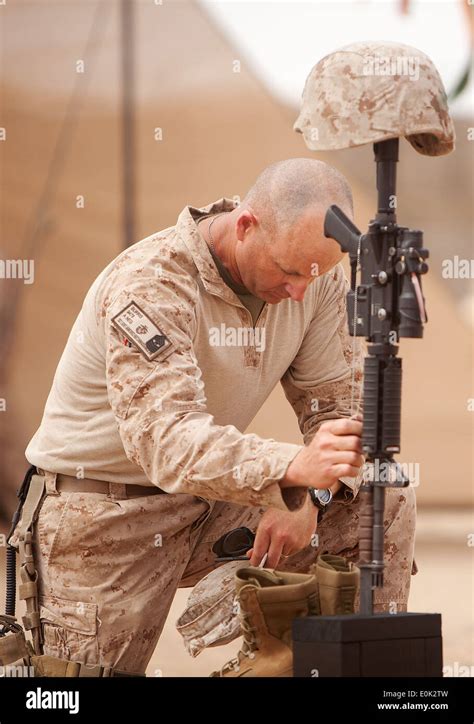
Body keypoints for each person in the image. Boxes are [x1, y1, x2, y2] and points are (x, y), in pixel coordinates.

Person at [9, 158, 416, 677]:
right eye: (289, 271)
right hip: (103, 515)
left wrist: (310, 496)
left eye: (314, 275)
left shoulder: (313, 281)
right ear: (245, 226)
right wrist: (287, 470)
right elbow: (167, 442)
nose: (299, 291)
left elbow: (337, 415)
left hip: (210, 503)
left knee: (384, 495)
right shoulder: (152, 283)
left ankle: (358, 676)